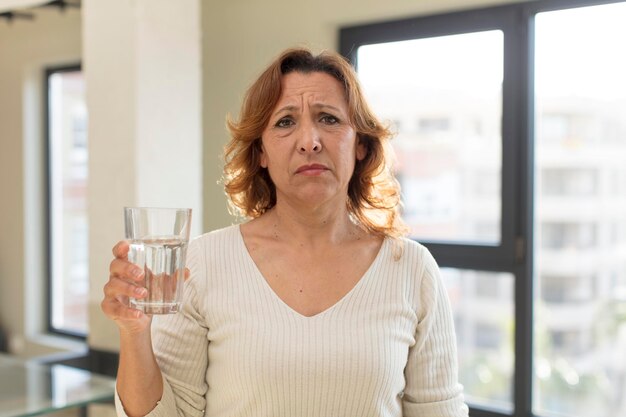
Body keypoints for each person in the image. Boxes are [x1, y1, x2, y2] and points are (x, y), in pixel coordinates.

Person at [102, 47, 469, 417]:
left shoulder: (411, 268)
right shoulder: (201, 264)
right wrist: (134, 333)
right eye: (284, 122)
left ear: (359, 144)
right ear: (260, 151)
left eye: (329, 118)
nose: (309, 141)